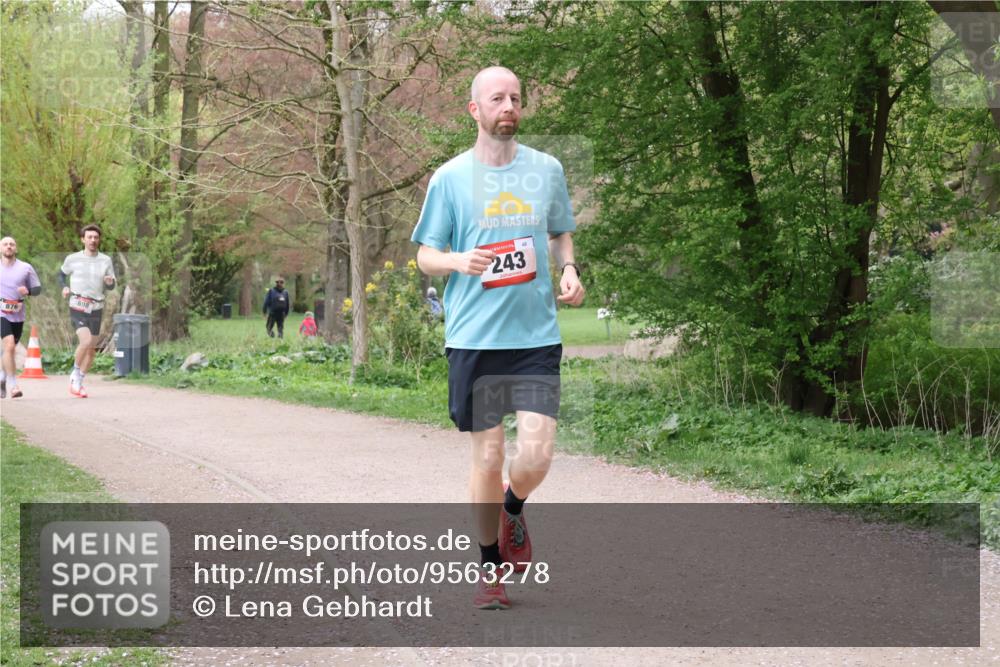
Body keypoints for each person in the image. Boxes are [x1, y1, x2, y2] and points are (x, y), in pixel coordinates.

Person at [411, 66, 585, 610]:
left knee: (535, 455)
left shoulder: (547, 169)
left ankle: (513, 509)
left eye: (515, 98)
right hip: (475, 339)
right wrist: (458, 260)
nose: (508, 105)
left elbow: (559, 230)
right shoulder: (450, 179)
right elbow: (424, 254)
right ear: (475, 111)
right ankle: (490, 569)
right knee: (487, 458)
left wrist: (570, 268)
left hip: (534, 336)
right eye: (497, 98)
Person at [60, 225, 116, 399]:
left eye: (96, 237)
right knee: (85, 341)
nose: (93, 240)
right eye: (89, 237)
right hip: (77, 304)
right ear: (83, 239)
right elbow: (60, 275)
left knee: (91, 350)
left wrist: (108, 282)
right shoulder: (73, 259)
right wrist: (64, 287)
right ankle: (74, 374)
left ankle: (79, 381)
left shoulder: (105, 260)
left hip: (96, 307)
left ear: (99, 240)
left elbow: (112, 284)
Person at [0, 237, 42, 399]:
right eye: (5, 244)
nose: (9, 247)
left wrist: (29, 292)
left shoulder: (25, 268)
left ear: (16, 248)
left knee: (7, 350)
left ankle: (2, 378)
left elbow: (37, 289)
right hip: (1, 313)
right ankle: (13, 385)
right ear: (0, 248)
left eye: (12, 244)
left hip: (17, 314)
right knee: (9, 346)